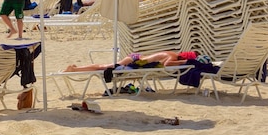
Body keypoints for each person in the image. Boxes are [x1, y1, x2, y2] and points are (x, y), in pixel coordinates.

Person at [63, 50, 197, 73]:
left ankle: (76, 68)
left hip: (136, 59)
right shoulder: (173, 58)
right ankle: (75, 69)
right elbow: (167, 64)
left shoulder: (172, 53)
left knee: (104, 66)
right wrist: (183, 63)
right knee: (103, 67)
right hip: (135, 61)